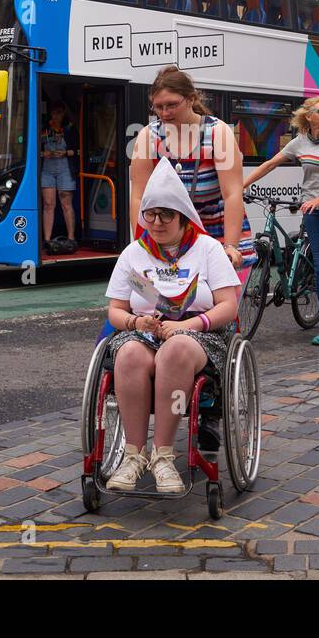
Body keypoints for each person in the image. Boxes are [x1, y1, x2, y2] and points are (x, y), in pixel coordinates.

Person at [102, 160, 241, 493]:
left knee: (175, 351)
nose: (157, 223)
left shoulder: (207, 249)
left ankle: (163, 455)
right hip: (146, 332)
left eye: (166, 215)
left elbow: (228, 306)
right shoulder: (134, 254)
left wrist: (190, 324)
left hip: (201, 334)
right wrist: (138, 322)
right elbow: (115, 312)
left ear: (183, 217)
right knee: (129, 354)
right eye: (150, 214)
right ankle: (133, 455)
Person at [242, 96, 319, 347]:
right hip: (312, 211)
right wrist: (241, 184)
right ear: (309, 117)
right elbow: (270, 164)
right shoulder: (299, 143)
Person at [129, 66, 251, 271]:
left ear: (191, 99)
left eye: (172, 105)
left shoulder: (216, 133)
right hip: (169, 232)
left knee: (220, 302)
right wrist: (141, 243)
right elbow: (138, 198)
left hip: (216, 230)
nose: (165, 113)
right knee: (168, 301)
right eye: (158, 107)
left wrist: (230, 245)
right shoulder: (148, 137)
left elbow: (232, 194)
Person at [39, 101, 78, 254]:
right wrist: (43, 154)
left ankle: (71, 238)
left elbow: (80, 150)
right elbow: (34, 148)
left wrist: (66, 153)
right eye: (55, 113)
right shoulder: (44, 129)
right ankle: (47, 240)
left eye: (60, 113)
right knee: (48, 204)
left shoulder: (69, 129)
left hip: (65, 168)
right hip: (47, 168)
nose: (57, 116)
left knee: (66, 203)